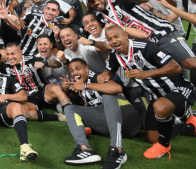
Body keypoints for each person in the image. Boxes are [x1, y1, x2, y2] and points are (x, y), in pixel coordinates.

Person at [100, 26, 196, 160]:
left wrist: (146, 74)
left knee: (160, 107)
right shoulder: (115, 55)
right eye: (109, 39)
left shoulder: (145, 47)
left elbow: (176, 67)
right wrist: (104, 75)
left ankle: (164, 145)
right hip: (156, 95)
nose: (113, 41)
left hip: (179, 88)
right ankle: (190, 125)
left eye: (116, 36)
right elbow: (109, 70)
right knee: (152, 137)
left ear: (126, 36)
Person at [62, 58, 140, 168]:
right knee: (69, 108)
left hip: (127, 119)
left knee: (108, 95)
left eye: (77, 68)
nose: (74, 72)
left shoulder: (97, 77)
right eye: (71, 70)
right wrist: (66, 88)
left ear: (86, 69)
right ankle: (84, 149)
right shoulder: (78, 83)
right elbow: (69, 99)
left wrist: (85, 86)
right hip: (108, 124)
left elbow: (117, 88)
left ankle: (118, 150)